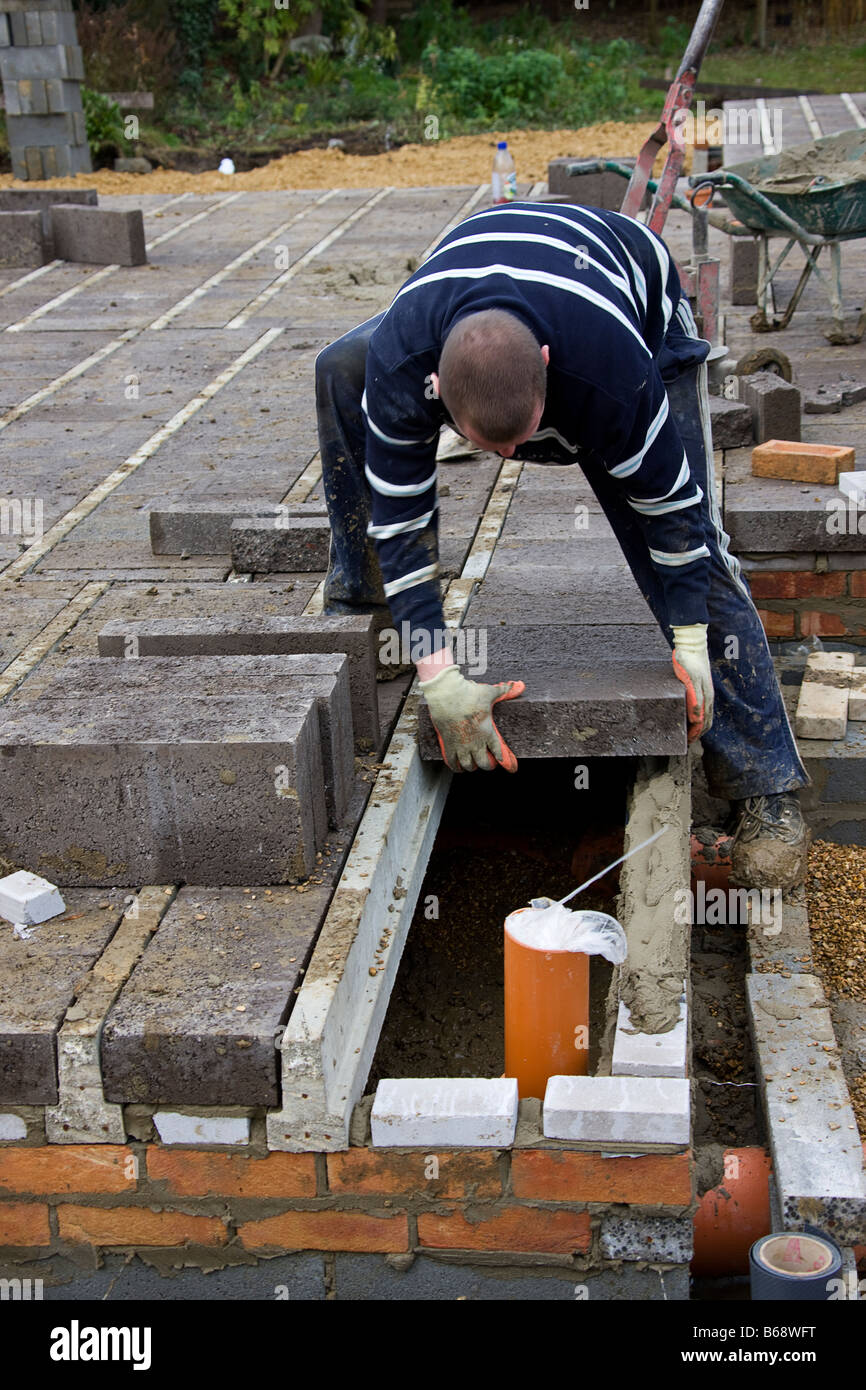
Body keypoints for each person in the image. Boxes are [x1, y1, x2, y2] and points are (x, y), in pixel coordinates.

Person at [314, 200, 810, 890]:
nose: (515, 458)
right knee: (340, 365)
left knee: (694, 546)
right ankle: (366, 607)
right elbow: (402, 524)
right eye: (492, 447)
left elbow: (673, 516)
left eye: (523, 439)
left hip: (631, 305)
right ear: (437, 394)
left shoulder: (613, 373)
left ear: (548, 368)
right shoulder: (404, 364)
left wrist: (692, 639)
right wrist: (439, 677)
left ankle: (766, 787)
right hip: (472, 302)